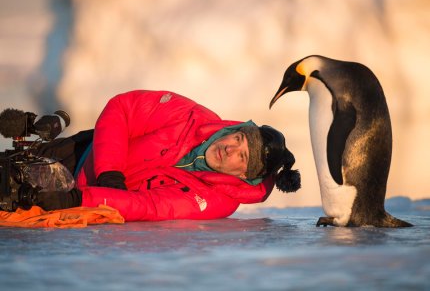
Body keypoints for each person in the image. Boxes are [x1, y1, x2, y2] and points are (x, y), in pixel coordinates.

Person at [32, 90, 301, 221]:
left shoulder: (217, 201)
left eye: (241, 157)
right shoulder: (190, 116)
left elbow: (150, 206)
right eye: (238, 138)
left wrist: (80, 198)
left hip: (81, 204)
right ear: (235, 130)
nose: (229, 148)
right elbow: (123, 108)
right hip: (79, 154)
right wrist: (109, 172)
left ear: (244, 175)